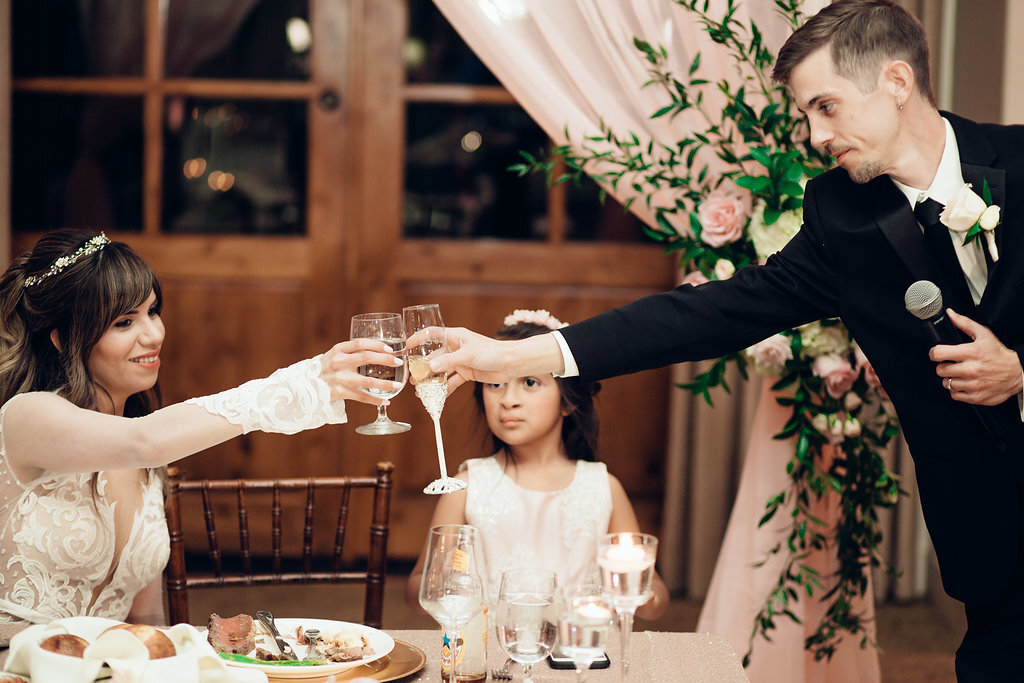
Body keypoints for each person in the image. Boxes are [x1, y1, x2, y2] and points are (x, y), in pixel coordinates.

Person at [426, 2, 1024, 679]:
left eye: (825, 107)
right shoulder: (842, 214)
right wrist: (514, 355)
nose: (814, 134)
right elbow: (711, 311)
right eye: (805, 114)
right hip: (989, 533)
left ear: (895, 80)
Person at [0, 228, 404, 628]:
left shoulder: (146, 463)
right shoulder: (27, 416)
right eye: (124, 322)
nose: (154, 334)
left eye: (153, 311)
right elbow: (147, 440)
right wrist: (305, 383)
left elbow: (146, 618)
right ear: (61, 338)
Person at [405, 309, 668, 620]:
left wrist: (639, 591)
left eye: (530, 382)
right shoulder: (466, 487)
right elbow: (416, 590)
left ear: (569, 401)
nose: (509, 400)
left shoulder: (602, 487)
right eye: (495, 385)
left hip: (579, 655)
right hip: (491, 657)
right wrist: (447, 579)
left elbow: (656, 599)